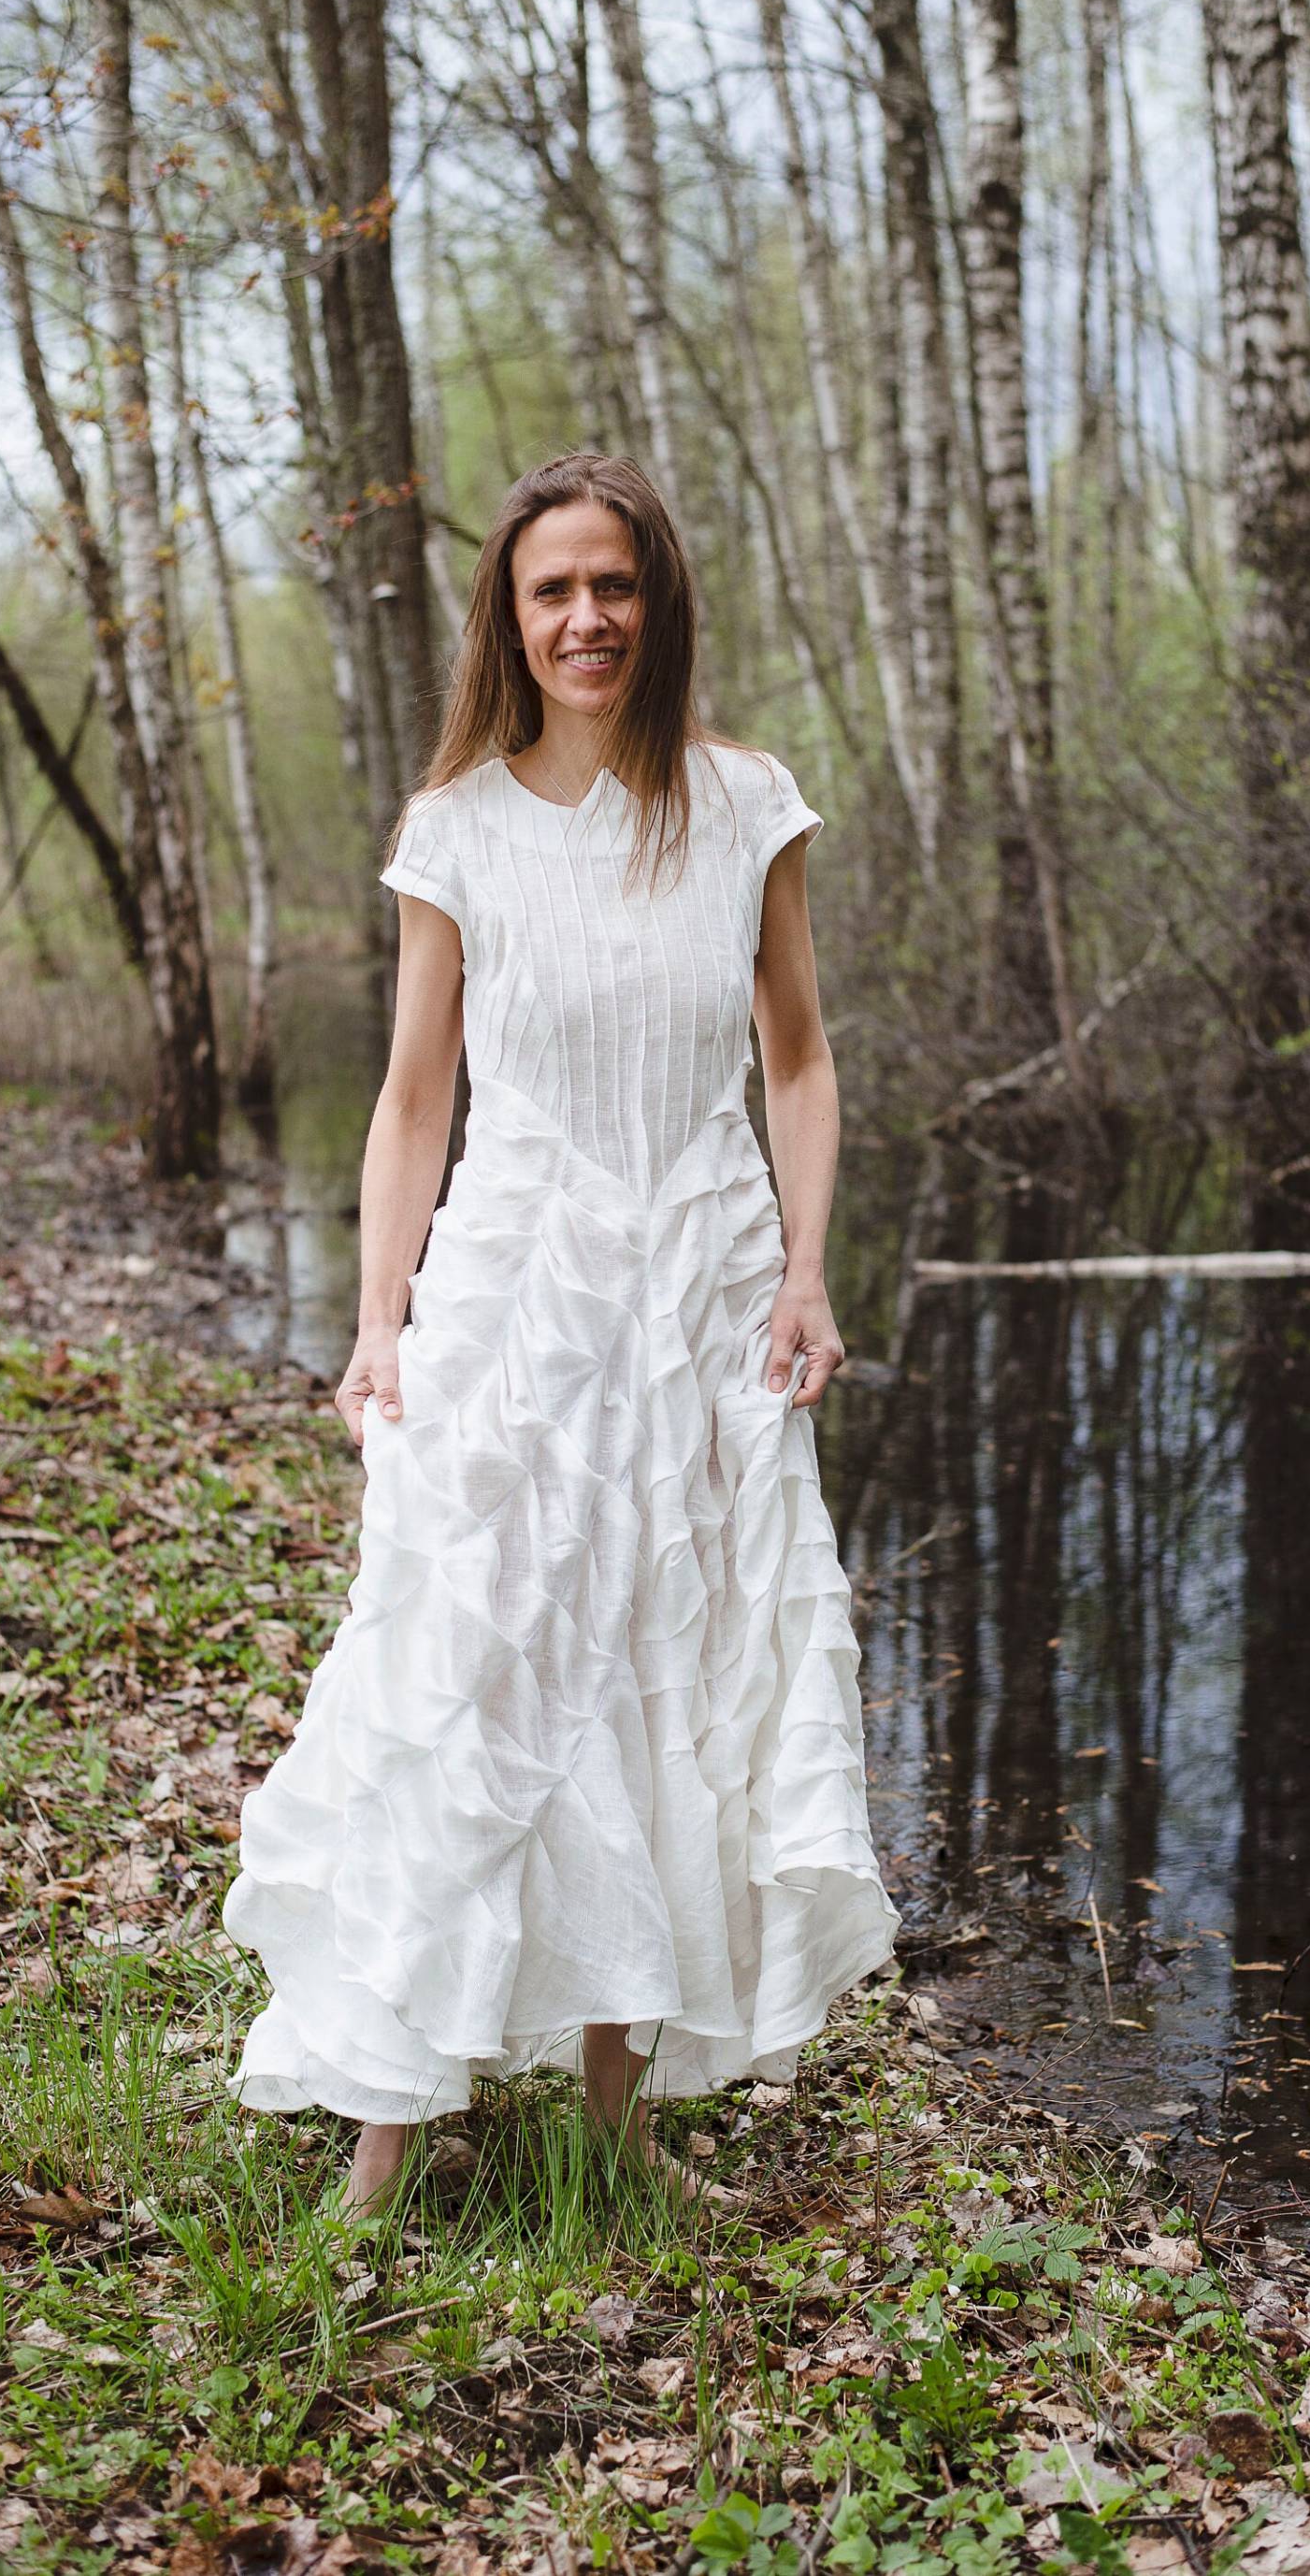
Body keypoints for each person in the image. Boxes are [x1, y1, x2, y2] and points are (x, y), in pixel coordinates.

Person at [223, 450, 899, 2211]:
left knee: (665, 1666)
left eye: (613, 584)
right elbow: (412, 1095)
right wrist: (379, 1320)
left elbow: (801, 1057)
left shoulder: (747, 804)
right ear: (509, 621)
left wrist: (809, 1267)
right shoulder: (453, 826)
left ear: (657, 598)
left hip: (703, 1274)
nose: (585, 617)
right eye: (551, 591)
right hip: (523, 1284)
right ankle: (385, 2130)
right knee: (477, 1662)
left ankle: (618, 2126)